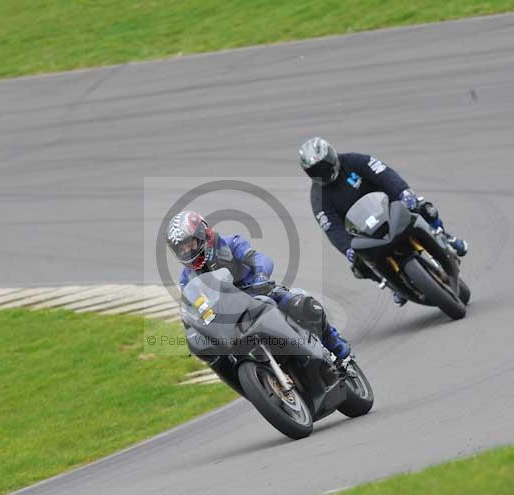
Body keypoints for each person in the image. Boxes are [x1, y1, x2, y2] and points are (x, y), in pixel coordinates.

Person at [299, 136, 468, 306]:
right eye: (315, 171)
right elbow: (332, 228)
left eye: (323, 166)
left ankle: (445, 237)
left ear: (331, 157)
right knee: (359, 267)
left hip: (389, 208)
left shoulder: (355, 161)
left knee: (424, 208)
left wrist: (404, 193)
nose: (321, 172)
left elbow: (384, 175)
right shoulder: (318, 198)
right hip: (364, 232)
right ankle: (392, 284)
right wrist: (348, 249)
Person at [166, 210, 352, 364]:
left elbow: (259, 259)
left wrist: (261, 277)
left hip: (257, 293)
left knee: (303, 304)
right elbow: (191, 308)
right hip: (230, 319)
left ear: (202, 234)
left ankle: (338, 347)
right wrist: (195, 327)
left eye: (189, 244)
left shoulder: (229, 243)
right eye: (180, 249)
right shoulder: (186, 279)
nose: (186, 251)